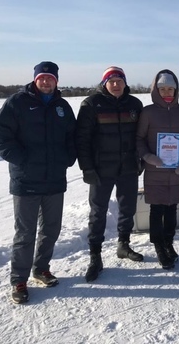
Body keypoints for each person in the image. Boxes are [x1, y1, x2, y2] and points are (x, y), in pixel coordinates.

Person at [0, 61, 77, 304]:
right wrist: (22, 159)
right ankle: (19, 280)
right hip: (26, 180)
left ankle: (41, 269)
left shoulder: (62, 106)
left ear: (56, 81)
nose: (47, 81)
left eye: (51, 78)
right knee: (25, 233)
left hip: (54, 179)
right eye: (43, 77)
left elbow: (73, 136)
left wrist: (68, 158)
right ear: (35, 79)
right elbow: (0, 135)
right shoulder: (17, 103)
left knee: (51, 229)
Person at [75, 66, 144, 282]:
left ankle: (123, 244)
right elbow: (82, 140)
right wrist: (86, 168)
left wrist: (140, 159)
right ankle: (95, 255)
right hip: (100, 169)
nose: (116, 85)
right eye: (111, 81)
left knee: (128, 207)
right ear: (104, 83)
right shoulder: (91, 104)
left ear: (125, 83)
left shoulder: (135, 105)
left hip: (128, 168)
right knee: (98, 211)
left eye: (119, 81)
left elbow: (142, 136)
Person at [136, 70, 179, 270]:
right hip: (155, 171)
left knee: (172, 208)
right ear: (156, 90)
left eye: (170, 88)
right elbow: (139, 139)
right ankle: (159, 246)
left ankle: (169, 242)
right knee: (157, 209)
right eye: (162, 89)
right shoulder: (148, 112)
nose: (167, 92)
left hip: (177, 171)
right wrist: (148, 157)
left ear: (176, 89)